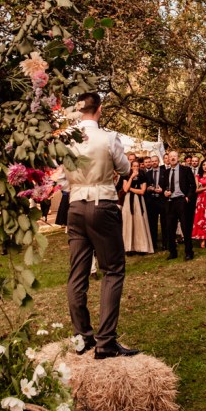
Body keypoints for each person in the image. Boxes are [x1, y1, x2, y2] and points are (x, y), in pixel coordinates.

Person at [64, 92, 139, 359]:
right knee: (113, 270)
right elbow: (124, 168)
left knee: (77, 273)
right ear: (100, 109)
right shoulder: (108, 138)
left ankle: (82, 336)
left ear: (78, 110)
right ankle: (105, 342)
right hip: (102, 204)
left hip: (75, 205)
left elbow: (60, 176)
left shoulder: (65, 139)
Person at [160, 150, 195, 260]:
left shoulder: (186, 170)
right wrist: (164, 192)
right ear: (168, 159)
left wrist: (188, 197)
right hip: (170, 202)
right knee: (170, 228)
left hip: (182, 201)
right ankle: (172, 252)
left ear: (178, 158)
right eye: (170, 156)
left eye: (174, 156)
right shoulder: (166, 172)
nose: (172, 158)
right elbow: (163, 187)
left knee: (185, 227)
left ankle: (189, 252)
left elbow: (193, 185)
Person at [121, 160, 154, 254]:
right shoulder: (126, 176)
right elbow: (125, 189)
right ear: (131, 167)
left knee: (139, 221)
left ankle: (141, 247)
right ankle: (129, 247)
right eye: (134, 166)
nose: (135, 167)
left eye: (137, 166)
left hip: (139, 201)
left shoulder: (143, 177)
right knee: (128, 222)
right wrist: (131, 177)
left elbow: (142, 191)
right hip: (128, 201)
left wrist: (131, 189)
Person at [143, 153, 166, 252]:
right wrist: (149, 189)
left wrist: (163, 189)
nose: (154, 163)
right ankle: (153, 244)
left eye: (155, 161)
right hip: (151, 201)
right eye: (152, 161)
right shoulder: (147, 174)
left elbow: (168, 184)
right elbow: (145, 187)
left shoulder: (165, 172)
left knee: (164, 223)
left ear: (158, 161)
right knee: (152, 223)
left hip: (162, 200)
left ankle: (165, 244)